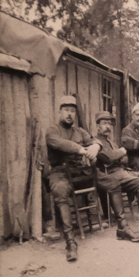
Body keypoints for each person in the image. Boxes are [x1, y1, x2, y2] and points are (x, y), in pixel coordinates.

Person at [91, 111, 139, 241]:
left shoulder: (111, 142)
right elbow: (107, 158)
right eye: (104, 123)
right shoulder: (95, 142)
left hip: (122, 171)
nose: (108, 126)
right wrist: (120, 153)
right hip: (111, 176)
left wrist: (118, 155)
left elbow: (125, 159)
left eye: (109, 124)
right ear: (97, 126)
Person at [40, 96, 94, 262]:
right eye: (66, 110)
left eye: (73, 111)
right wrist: (80, 149)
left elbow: (93, 140)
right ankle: (70, 242)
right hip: (60, 172)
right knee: (60, 190)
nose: (70, 114)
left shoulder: (79, 131)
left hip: (78, 172)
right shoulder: (52, 130)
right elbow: (58, 143)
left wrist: (96, 147)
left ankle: (110, 221)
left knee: (102, 180)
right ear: (59, 112)